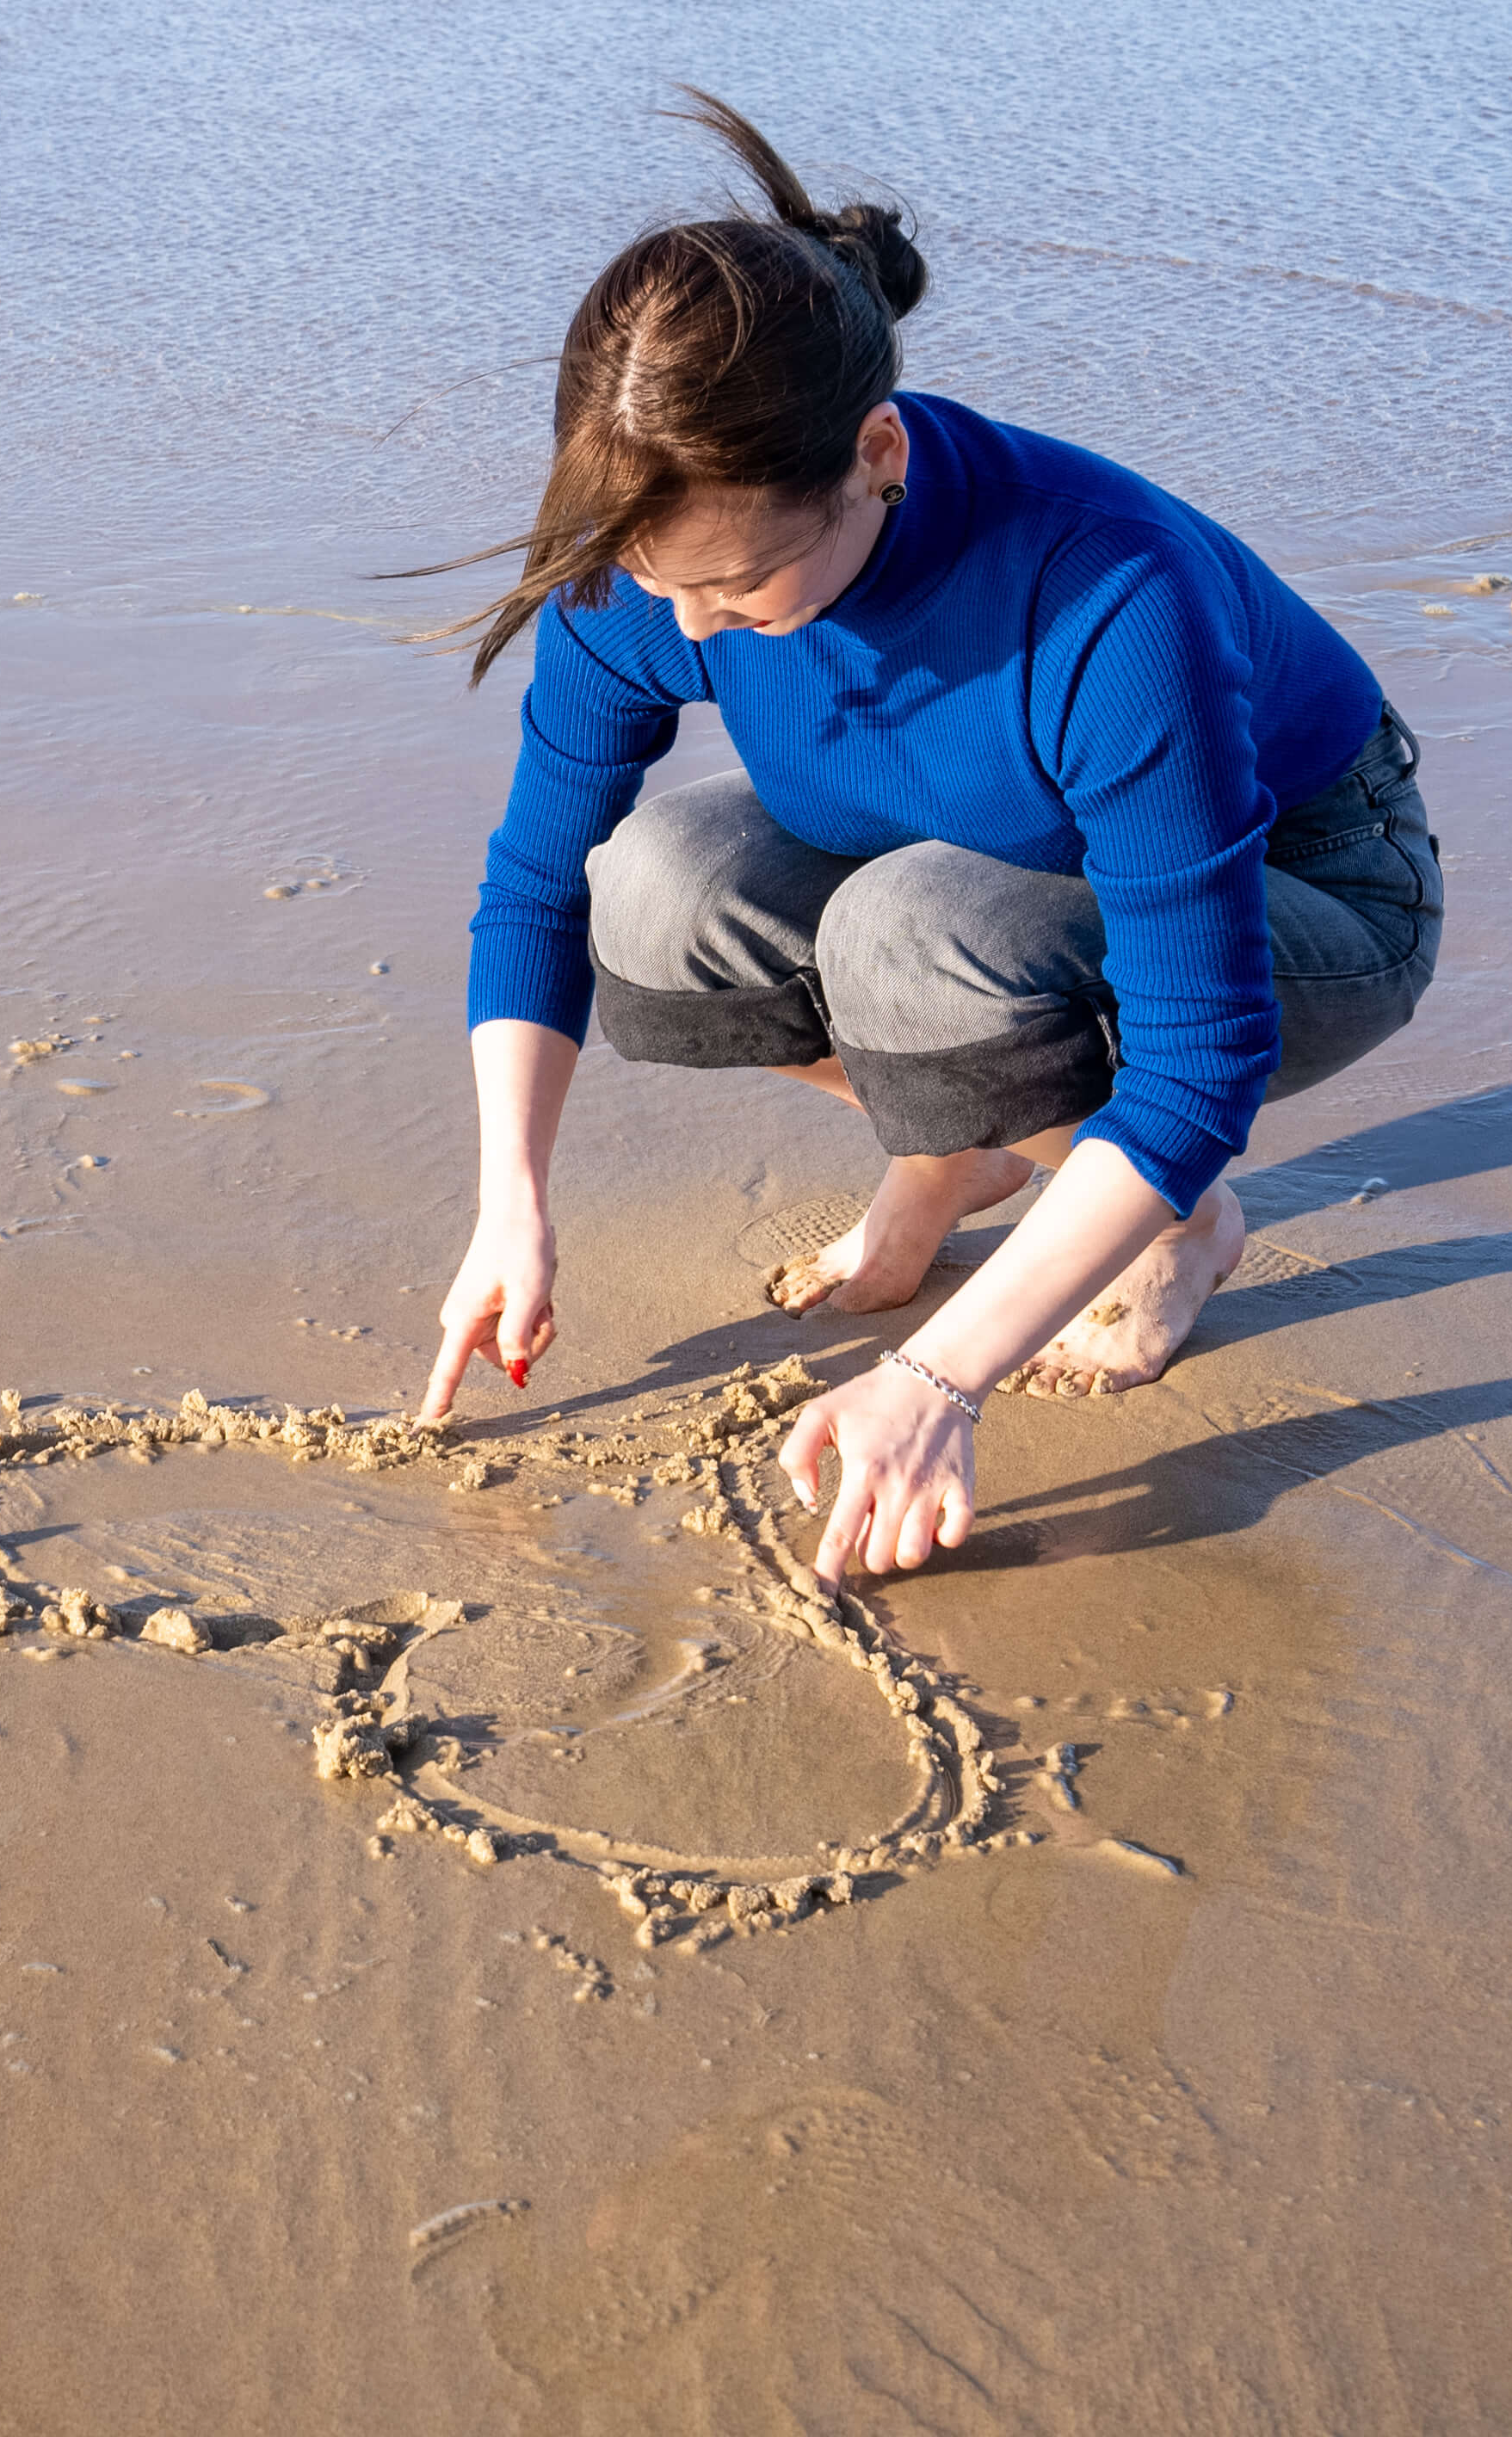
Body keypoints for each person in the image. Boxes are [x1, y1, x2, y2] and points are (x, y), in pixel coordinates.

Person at [411, 92, 1442, 1583]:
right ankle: (955, 1155)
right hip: (948, 850)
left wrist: (940, 1377)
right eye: (656, 579)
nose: (690, 628)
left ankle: (1179, 1227)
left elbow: (1201, 1053)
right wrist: (511, 1202)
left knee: (915, 943)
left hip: (1308, 880)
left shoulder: (1107, 593)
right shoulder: (651, 561)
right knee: (652, 895)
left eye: (746, 581)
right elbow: (533, 888)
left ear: (877, 451)